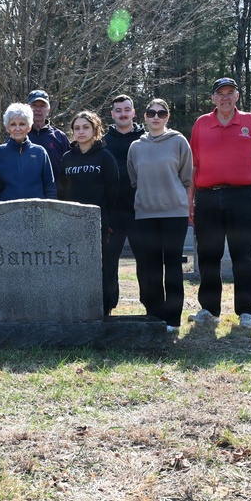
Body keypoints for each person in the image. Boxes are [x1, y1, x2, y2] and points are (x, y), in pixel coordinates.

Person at [188, 77, 251, 330]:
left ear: (237, 96)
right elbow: (194, 165)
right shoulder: (202, 124)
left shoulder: (250, 121)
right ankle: (209, 309)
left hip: (242, 196)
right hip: (208, 196)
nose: (225, 97)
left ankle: (246, 311)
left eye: (230, 92)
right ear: (213, 98)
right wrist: (189, 199)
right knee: (208, 255)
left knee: (243, 255)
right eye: (220, 93)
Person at [127, 99, 193, 332]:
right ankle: (155, 317)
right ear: (144, 116)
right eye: (151, 112)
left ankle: (173, 320)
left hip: (174, 213)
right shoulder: (136, 147)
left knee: (172, 266)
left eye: (161, 113)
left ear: (167, 117)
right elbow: (134, 179)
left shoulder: (178, 141)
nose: (156, 116)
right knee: (152, 268)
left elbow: (186, 177)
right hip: (145, 214)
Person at [59, 110, 119, 314]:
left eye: (86, 127)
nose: (81, 131)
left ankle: (103, 309)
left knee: (100, 267)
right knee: (74, 265)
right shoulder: (67, 158)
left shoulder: (105, 157)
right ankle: (77, 307)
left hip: (98, 222)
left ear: (95, 130)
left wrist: (109, 221)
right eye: (77, 128)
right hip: (72, 223)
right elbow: (62, 192)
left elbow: (113, 192)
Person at [103, 93, 145, 314]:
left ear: (133, 112)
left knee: (146, 262)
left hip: (141, 211)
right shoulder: (103, 141)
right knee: (108, 263)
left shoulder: (146, 138)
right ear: (112, 114)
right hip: (113, 212)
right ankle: (107, 307)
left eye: (127, 109)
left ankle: (151, 306)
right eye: (118, 110)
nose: (123, 114)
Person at [0, 103, 57, 201]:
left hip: (35, 211)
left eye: (22, 124)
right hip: (5, 211)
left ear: (29, 127)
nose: (17, 129)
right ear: (7, 127)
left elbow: (50, 187)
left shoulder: (40, 152)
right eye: (13, 124)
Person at [26, 89, 71, 183]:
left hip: (54, 195)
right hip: (26, 194)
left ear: (48, 109)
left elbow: (70, 168)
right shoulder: (20, 136)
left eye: (42, 106)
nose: (38, 109)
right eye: (34, 105)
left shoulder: (59, 137)